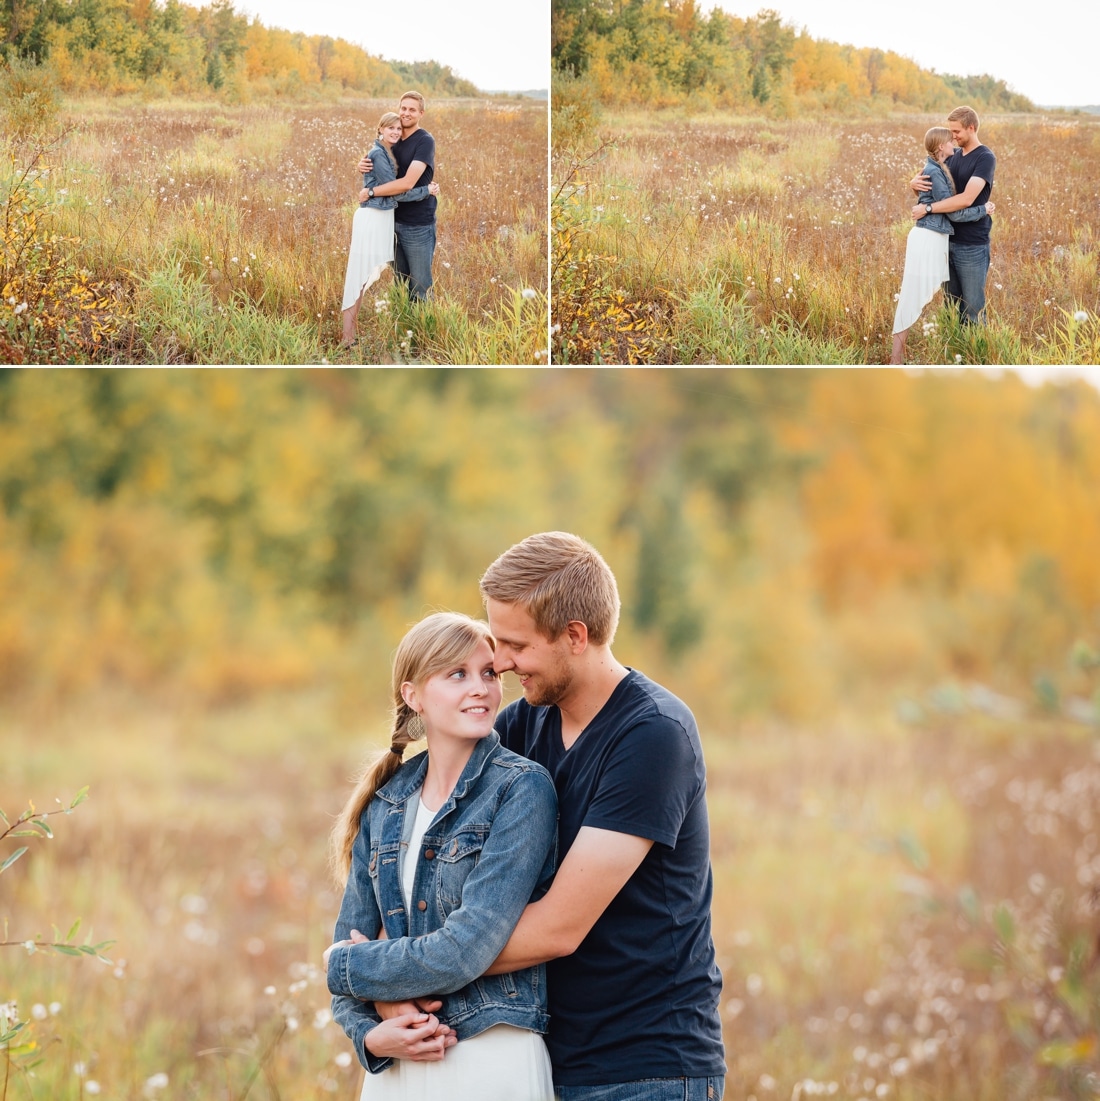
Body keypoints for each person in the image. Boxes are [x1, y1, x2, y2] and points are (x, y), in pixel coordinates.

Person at [477, 532, 726, 1101]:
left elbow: (558, 929)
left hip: (647, 1069)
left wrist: (404, 966)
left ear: (575, 636)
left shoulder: (652, 734)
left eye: (516, 644)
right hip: (544, 1057)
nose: (499, 661)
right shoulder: (522, 725)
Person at [324, 611, 558, 1101]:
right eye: (458, 674)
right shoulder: (386, 802)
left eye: (489, 673)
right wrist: (369, 1033)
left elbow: (468, 946)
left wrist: (346, 968)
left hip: (488, 1055)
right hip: (397, 1065)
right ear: (413, 696)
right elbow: (352, 933)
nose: (482, 689)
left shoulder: (521, 790)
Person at [891, 127, 995, 363]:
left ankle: (966, 355)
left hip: (938, 238)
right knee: (913, 295)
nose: (954, 142)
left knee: (937, 299)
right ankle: (895, 359)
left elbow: (937, 195)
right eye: (950, 139)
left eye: (956, 133)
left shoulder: (945, 164)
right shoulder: (936, 170)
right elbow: (955, 214)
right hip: (930, 239)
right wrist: (984, 209)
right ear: (941, 147)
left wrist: (921, 196)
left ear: (971, 127)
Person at [341, 111, 440, 346]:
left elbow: (385, 182)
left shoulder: (390, 150)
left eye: (398, 128)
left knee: (366, 277)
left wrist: (368, 177)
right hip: (373, 219)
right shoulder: (379, 153)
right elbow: (399, 190)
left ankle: (353, 335)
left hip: (383, 219)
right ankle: (347, 338)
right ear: (380, 130)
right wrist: (426, 191)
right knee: (359, 277)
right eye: (390, 128)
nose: (396, 131)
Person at [909, 106, 996, 324]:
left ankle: (976, 354)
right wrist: (913, 184)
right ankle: (954, 350)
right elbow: (927, 186)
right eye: (950, 132)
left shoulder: (984, 157)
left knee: (973, 307)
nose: (953, 136)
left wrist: (928, 209)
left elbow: (966, 199)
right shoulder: (950, 154)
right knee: (951, 303)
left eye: (956, 132)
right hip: (945, 239)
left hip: (972, 243)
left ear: (971, 127)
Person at [357, 91, 438, 301]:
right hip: (391, 220)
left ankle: (422, 331)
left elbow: (407, 183)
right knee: (400, 281)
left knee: (420, 286)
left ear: (421, 113)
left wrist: (371, 192)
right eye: (403, 108)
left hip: (417, 224)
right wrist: (363, 165)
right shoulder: (393, 137)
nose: (406, 113)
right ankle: (403, 327)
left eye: (412, 109)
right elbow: (378, 162)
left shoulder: (425, 141)